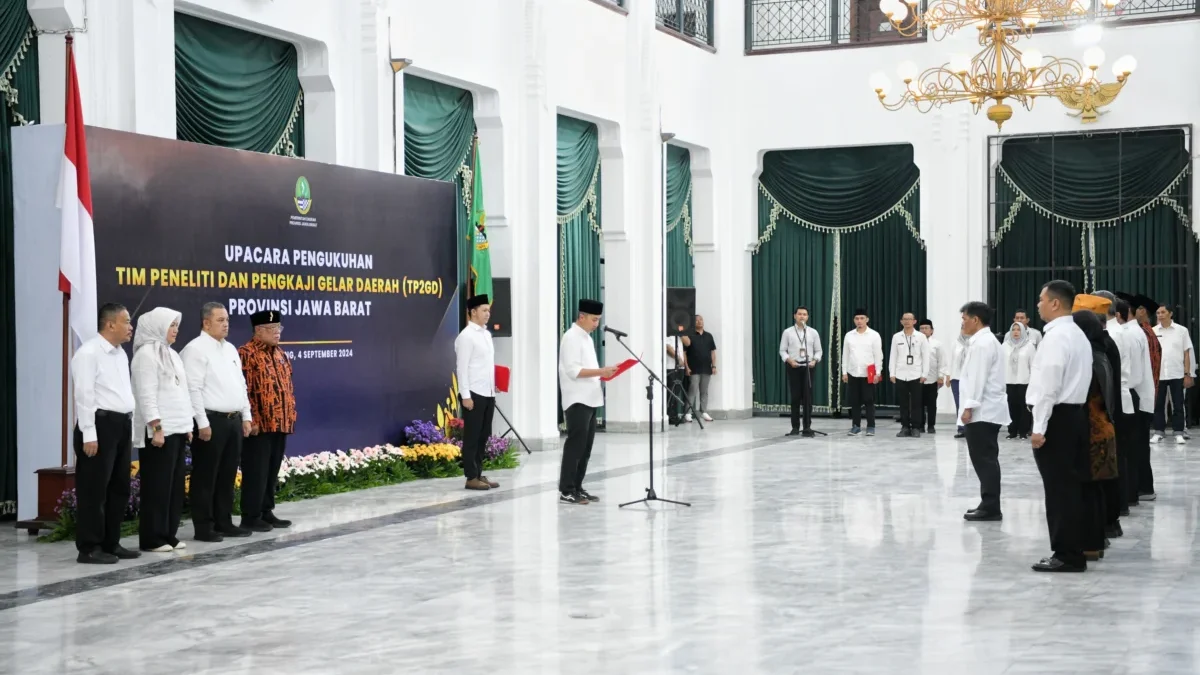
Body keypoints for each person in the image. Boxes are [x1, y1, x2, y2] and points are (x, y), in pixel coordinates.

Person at [1027, 280, 1093, 573]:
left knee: (1059, 489)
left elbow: (1048, 387)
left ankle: (1066, 554)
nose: (1038, 304)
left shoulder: (1056, 337)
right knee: (1072, 486)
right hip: (1075, 415)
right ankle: (1075, 547)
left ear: (1055, 303)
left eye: (1041, 300)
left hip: (1058, 418)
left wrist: (1039, 426)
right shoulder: (1076, 333)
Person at [71, 303, 139, 564]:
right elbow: (84, 395)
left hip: (120, 425)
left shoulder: (121, 353)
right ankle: (89, 547)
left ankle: (111, 542)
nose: (130, 327)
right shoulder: (88, 353)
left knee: (119, 487)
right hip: (99, 426)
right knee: (94, 490)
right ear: (110, 324)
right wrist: (89, 433)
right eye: (127, 321)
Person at [181, 302, 254, 542]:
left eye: (227, 320)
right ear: (206, 323)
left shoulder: (231, 349)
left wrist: (246, 415)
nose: (226, 324)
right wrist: (201, 423)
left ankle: (224, 521)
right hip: (210, 421)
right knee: (206, 475)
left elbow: (240, 385)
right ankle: (204, 526)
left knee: (227, 473)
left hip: (232, 420)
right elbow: (193, 389)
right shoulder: (195, 350)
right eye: (220, 320)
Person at [131, 307, 192, 553]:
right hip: (159, 433)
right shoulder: (145, 355)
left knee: (174, 487)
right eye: (171, 325)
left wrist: (188, 425)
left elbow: (182, 392)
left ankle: (169, 534)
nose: (176, 330)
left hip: (178, 428)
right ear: (157, 326)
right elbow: (146, 395)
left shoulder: (172, 354)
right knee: (157, 486)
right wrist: (156, 427)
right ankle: (152, 538)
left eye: (177, 325)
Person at [239, 310, 298, 530]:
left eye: (279, 328)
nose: (277, 333)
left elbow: (288, 386)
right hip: (259, 425)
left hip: (280, 422)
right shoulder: (247, 353)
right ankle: (251, 515)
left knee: (271, 470)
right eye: (272, 329)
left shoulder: (280, 354)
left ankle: (266, 511)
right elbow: (245, 389)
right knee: (256, 471)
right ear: (259, 330)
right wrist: (251, 419)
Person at [1071, 300, 1120, 563]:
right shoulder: (1100, 351)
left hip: (1093, 431)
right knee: (1097, 489)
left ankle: (1092, 540)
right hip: (1103, 429)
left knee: (1090, 490)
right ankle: (1098, 537)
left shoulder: (1091, 357)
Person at [558, 299, 616, 505]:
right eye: (593, 319)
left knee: (586, 448)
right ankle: (566, 489)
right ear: (581, 317)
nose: (596, 324)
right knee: (575, 446)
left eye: (599, 320)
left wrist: (604, 374)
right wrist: (602, 371)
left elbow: (589, 369)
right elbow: (573, 371)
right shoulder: (571, 337)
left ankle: (578, 486)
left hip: (590, 398)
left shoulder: (587, 338)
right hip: (577, 400)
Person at [957, 302, 1010, 522]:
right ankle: (988, 502)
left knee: (984, 459)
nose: (962, 323)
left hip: (983, 410)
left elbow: (978, 378)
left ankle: (990, 507)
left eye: (964, 319)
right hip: (986, 408)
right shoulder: (983, 341)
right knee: (985, 458)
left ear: (975, 320)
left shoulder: (982, 344)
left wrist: (969, 407)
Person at [455, 296, 498, 492]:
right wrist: (465, 395)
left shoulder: (486, 335)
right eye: (483, 310)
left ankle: (479, 472)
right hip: (473, 393)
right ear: (473, 312)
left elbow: (485, 365)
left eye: (488, 310)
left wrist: (494, 384)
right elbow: (462, 368)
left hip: (487, 391)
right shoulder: (466, 337)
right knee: (472, 436)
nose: (487, 314)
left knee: (483, 435)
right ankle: (470, 476)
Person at [1115, 295, 1154, 509]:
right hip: (1140, 391)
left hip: (1133, 392)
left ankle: (1139, 488)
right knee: (1138, 446)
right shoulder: (1136, 331)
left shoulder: (1128, 334)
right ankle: (1143, 487)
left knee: (1133, 447)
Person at [1151, 304, 1194, 445]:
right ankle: (1158, 432)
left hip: (1177, 373)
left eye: (1163, 312)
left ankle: (1179, 432)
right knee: (1158, 405)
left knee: (1178, 404)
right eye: (1158, 313)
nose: (1160, 315)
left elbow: (1186, 353)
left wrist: (1187, 373)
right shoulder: (1153, 331)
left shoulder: (1181, 331)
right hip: (1159, 374)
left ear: (1170, 313)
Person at [779, 306, 823, 438]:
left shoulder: (813, 332)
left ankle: (807, 427)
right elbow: (782, 350)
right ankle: (795, 427)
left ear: (808, 317)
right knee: (795, 397)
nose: (802, 317)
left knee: (807, 397)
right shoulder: (788, 332)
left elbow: (819, 350)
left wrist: (815, 360)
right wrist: (788, 360)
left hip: (808, 367)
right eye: (799, 314)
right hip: (794, 366)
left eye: (804, 314)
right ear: (795, 316)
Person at [841, 308, 883, 436]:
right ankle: (856, 425)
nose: (859, 321)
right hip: (853, 372)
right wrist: (844, 372)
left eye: (862, 318)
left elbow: (878, 355)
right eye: (857, 319)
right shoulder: (849, 335)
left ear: (867, 319)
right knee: (855, 401)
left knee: (869, 400)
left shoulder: (874, 335)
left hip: (868, 374)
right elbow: (845, 355)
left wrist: (878, 372)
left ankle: (870, 426)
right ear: (854, 320)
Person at [889, 312, 929, 438]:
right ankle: (905, 427)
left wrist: (924, 373)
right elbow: (893, 356)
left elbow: (926, 357)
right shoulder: (897, 337)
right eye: (904, 319)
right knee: (903, 402)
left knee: (917, 403)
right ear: (901, 322)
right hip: (901, 374)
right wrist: (892, 373)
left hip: (916, 374)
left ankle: (916, 427)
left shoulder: (921, 337)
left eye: (909, 319)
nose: (907, 321)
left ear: (914, 321)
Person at [1002, 322, 1036, 439]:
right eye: (1014, 329)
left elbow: (1033, 365)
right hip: (1009, 381)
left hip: (1024, 381)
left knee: (1024, 408)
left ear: (1023, 332)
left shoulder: (1029, 346)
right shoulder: (1005, 346)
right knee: (1011, 407)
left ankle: (1023, 432)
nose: (1016, 332)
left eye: (1018, 330)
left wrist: (1033, 381)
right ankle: (1012, 431)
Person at [681, 315, 717, 423]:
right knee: (692, 390)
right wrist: (686, 367)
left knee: (704, 391)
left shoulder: (709, 336)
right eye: (696, 320)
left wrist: (714, 366)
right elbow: (684, 353)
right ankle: (688, 413)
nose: (699, 322)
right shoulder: (689, 336)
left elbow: (713, 352)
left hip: (706, 368)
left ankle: (704, 411)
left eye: (701, 320)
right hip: (693, 368)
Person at [918, 319, 950, 434]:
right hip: (918, 379)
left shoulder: (937, 344)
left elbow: (942, 361)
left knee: (932, 404)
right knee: (918, 404)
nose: (924, 330)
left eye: (926, 328)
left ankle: (931, 426)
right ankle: (920, 425)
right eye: (921, 328)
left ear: (932, 331)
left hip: (932, 379)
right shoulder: (916, 343)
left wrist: (941, 376)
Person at [664, 332, 689, 424]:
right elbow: (667, 347)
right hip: (670, 366)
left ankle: (674, 414)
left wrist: (681, 333)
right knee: (670, 392)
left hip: (680, 367)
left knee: (677, 391)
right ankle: (669, 415)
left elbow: (688, 343)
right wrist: (678, 359)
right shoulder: (666, 333)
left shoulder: (678, 335)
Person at [949, 332, 970, 439]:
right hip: (956, 378)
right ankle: (961, 429)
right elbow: (952, 360)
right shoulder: (956, 343)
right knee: (959, 404)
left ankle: (971, 429)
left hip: (970, 378)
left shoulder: (975, 342)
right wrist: (949, 376)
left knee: (969, 404)